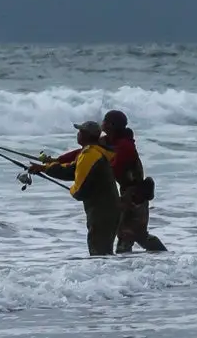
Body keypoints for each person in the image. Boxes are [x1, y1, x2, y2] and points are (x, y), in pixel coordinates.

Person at [35, 121, 121, 257]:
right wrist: (45, 168)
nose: (78, 134)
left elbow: (80, 191)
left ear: (86, 135)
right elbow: (72, 169)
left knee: (99, 253)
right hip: (108, 208)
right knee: (103, 252)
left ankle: (107, 278)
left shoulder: (90, 154)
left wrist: (72, 190)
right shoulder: (93, 152)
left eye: (80, 131)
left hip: (102, 211)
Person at [101, 109, 165, 254]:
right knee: (135, 234)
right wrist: (56, 162)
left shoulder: (125, 146)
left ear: (111, 125)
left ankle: (124, 269)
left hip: (136, 194)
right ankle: (164, 257)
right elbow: (86, 153)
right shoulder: (109, 141)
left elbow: (114, 167)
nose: (102, 123)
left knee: (129, 234)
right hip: (127, 192)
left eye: (105, 120)